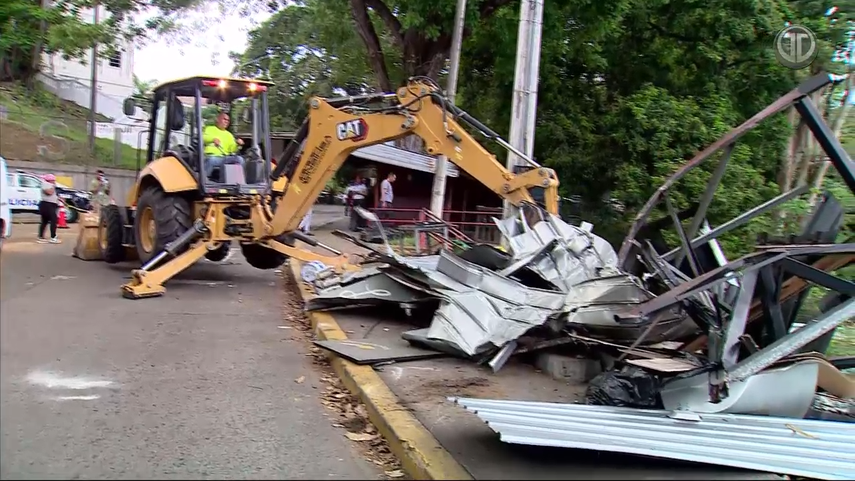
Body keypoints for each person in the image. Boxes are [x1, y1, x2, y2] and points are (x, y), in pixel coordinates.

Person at [203, 112, 245, 181]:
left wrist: (238, 144)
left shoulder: (229, 135)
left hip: (225, 158)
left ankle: (238, 181)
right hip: (213, 156)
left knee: (240, 159)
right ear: (217, 120)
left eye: (228, 120)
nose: (226, 122)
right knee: (212, 160)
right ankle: (204, 179)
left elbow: (232, 149)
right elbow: (204, 138)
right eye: (224, 119)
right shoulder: (210, 129)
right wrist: (213, 139)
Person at [37, 174, 61, 244]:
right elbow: (49, 192)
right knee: (53, 220)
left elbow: (53, 194)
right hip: (47, 204)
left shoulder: (48, 184)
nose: (54, 181)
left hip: (49, 204)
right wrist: (53, 186)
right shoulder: (46, 184)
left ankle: (41, 237)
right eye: (53, 180)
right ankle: (53, 237)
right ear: (50, 180)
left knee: (45, 221)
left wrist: (58, 199)